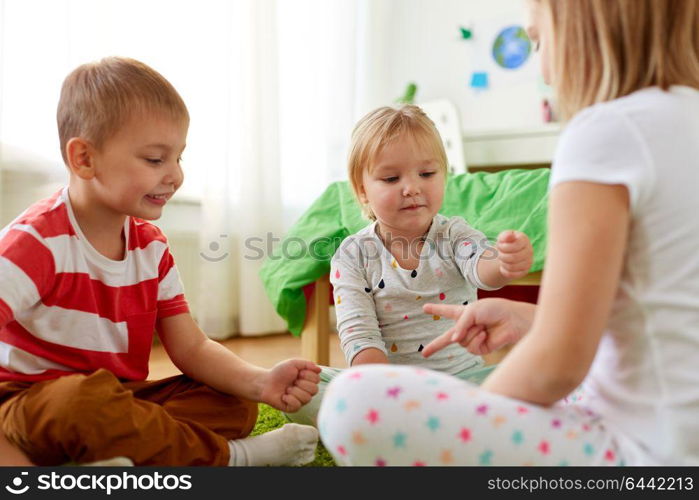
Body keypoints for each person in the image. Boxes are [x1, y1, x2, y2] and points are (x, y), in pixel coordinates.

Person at [317, 0, 699, 466]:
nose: (544, 70)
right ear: (362, 190)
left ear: (578, 26)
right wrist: (533, 319)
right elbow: (654, 323)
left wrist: (468, 418)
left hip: (642, 450)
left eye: (537, 39)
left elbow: (552, 356)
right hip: (667, 427)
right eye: (391, 179)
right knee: (334, 383)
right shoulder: (684, 115)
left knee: (348, 407)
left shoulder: (604, 132)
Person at [0, 57, 320, 466]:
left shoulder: (150, 247)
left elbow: (192, 347)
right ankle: (235, 459)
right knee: (87, 403)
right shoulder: (36, 242)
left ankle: (102, 462)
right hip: (28, 407)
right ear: (84, 159)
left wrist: (260, 382)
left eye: (179, 158)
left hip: (117, 401)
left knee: (233, 402)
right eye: (155, 160)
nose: (175, 176)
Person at [285, 104, 533, 426]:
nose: (412, 187)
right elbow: (360, 335)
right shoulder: (351, 255)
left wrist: (502, 262)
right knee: (300, 387)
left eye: (427, 174)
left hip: (465, 384)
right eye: (391, 178)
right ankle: (413, 421)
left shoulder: (454, 234)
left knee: (527, 376)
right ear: (363, 192)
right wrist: (382, 393)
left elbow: (480, 267)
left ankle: (420, 424)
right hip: (390, 391)